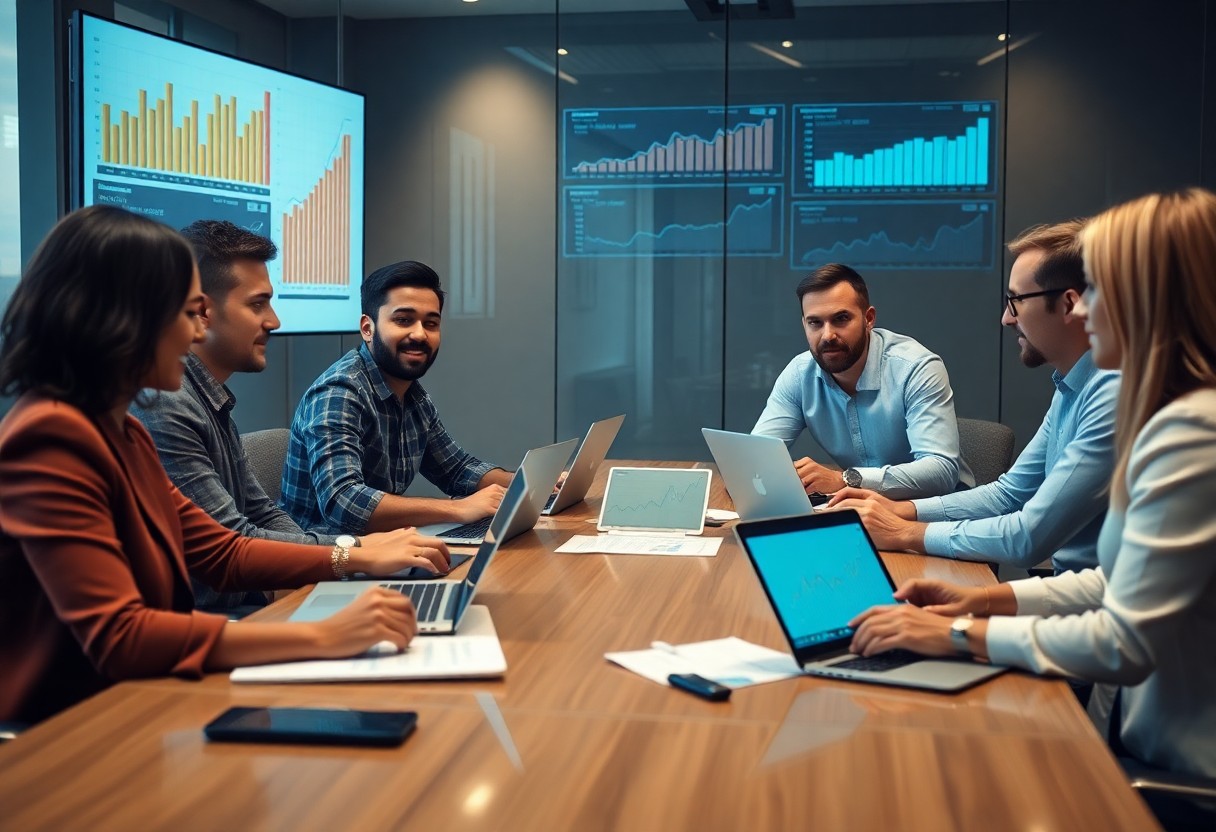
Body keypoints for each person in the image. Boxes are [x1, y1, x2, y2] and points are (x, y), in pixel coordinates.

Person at [0, 206, 450, 725]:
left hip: (137, 702)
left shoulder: (122, 431)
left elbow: (223, 552)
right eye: (187, 314)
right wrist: (321, 635)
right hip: (71, 730)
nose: (196, 335)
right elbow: (120, 636)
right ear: (126, 319)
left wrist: (350, 558)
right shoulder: (50, 436)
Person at [848, 189, 1216, 811]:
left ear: (1146, 297)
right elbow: (1116, 581)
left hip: (1170, 767)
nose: (1084, 306)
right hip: (1131, 722)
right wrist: (984, 598)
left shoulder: (1189, 431)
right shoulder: (1169, 412)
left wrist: (961, 634)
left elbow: (1122, 641)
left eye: (1097, 287)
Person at [131, 221, 427, 611]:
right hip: (210, 624)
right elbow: (231, 546)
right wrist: (354, 553)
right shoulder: (166, 405)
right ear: (202, 312)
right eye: (257, 304)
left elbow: (260, 513)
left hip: (249, 608)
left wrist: (346, 557)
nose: (274, 321)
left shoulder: (209, 400)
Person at [829, 221, 1120, 574]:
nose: (1005, 319)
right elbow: (1008, 495)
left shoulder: (1110, 394)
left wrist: (906, 532)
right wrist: (900, 510)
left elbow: (1026, 538)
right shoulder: (1070, 387)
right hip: (1070, 595)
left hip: (1094, 611)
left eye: (1015, 301)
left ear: (1070, 304)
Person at [280, 260, 512, 535]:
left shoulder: (413, 395)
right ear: (368, 328)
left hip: (381, 548)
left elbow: (456, 469)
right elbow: (343, 502)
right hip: (324, 558)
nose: (419, 334)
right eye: (403, 320)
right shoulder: (339, 393)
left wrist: (527, 483)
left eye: (431, 323)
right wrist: (458, 509)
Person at [752, 263, 972, 500]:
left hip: (934, 515)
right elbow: (754, 457)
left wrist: (844, 480)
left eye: (841, 319)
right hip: (859, 509)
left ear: (869, 319)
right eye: (815, 322)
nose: (827, 336)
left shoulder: (916, 368)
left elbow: (941, 471)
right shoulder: (799, 373)